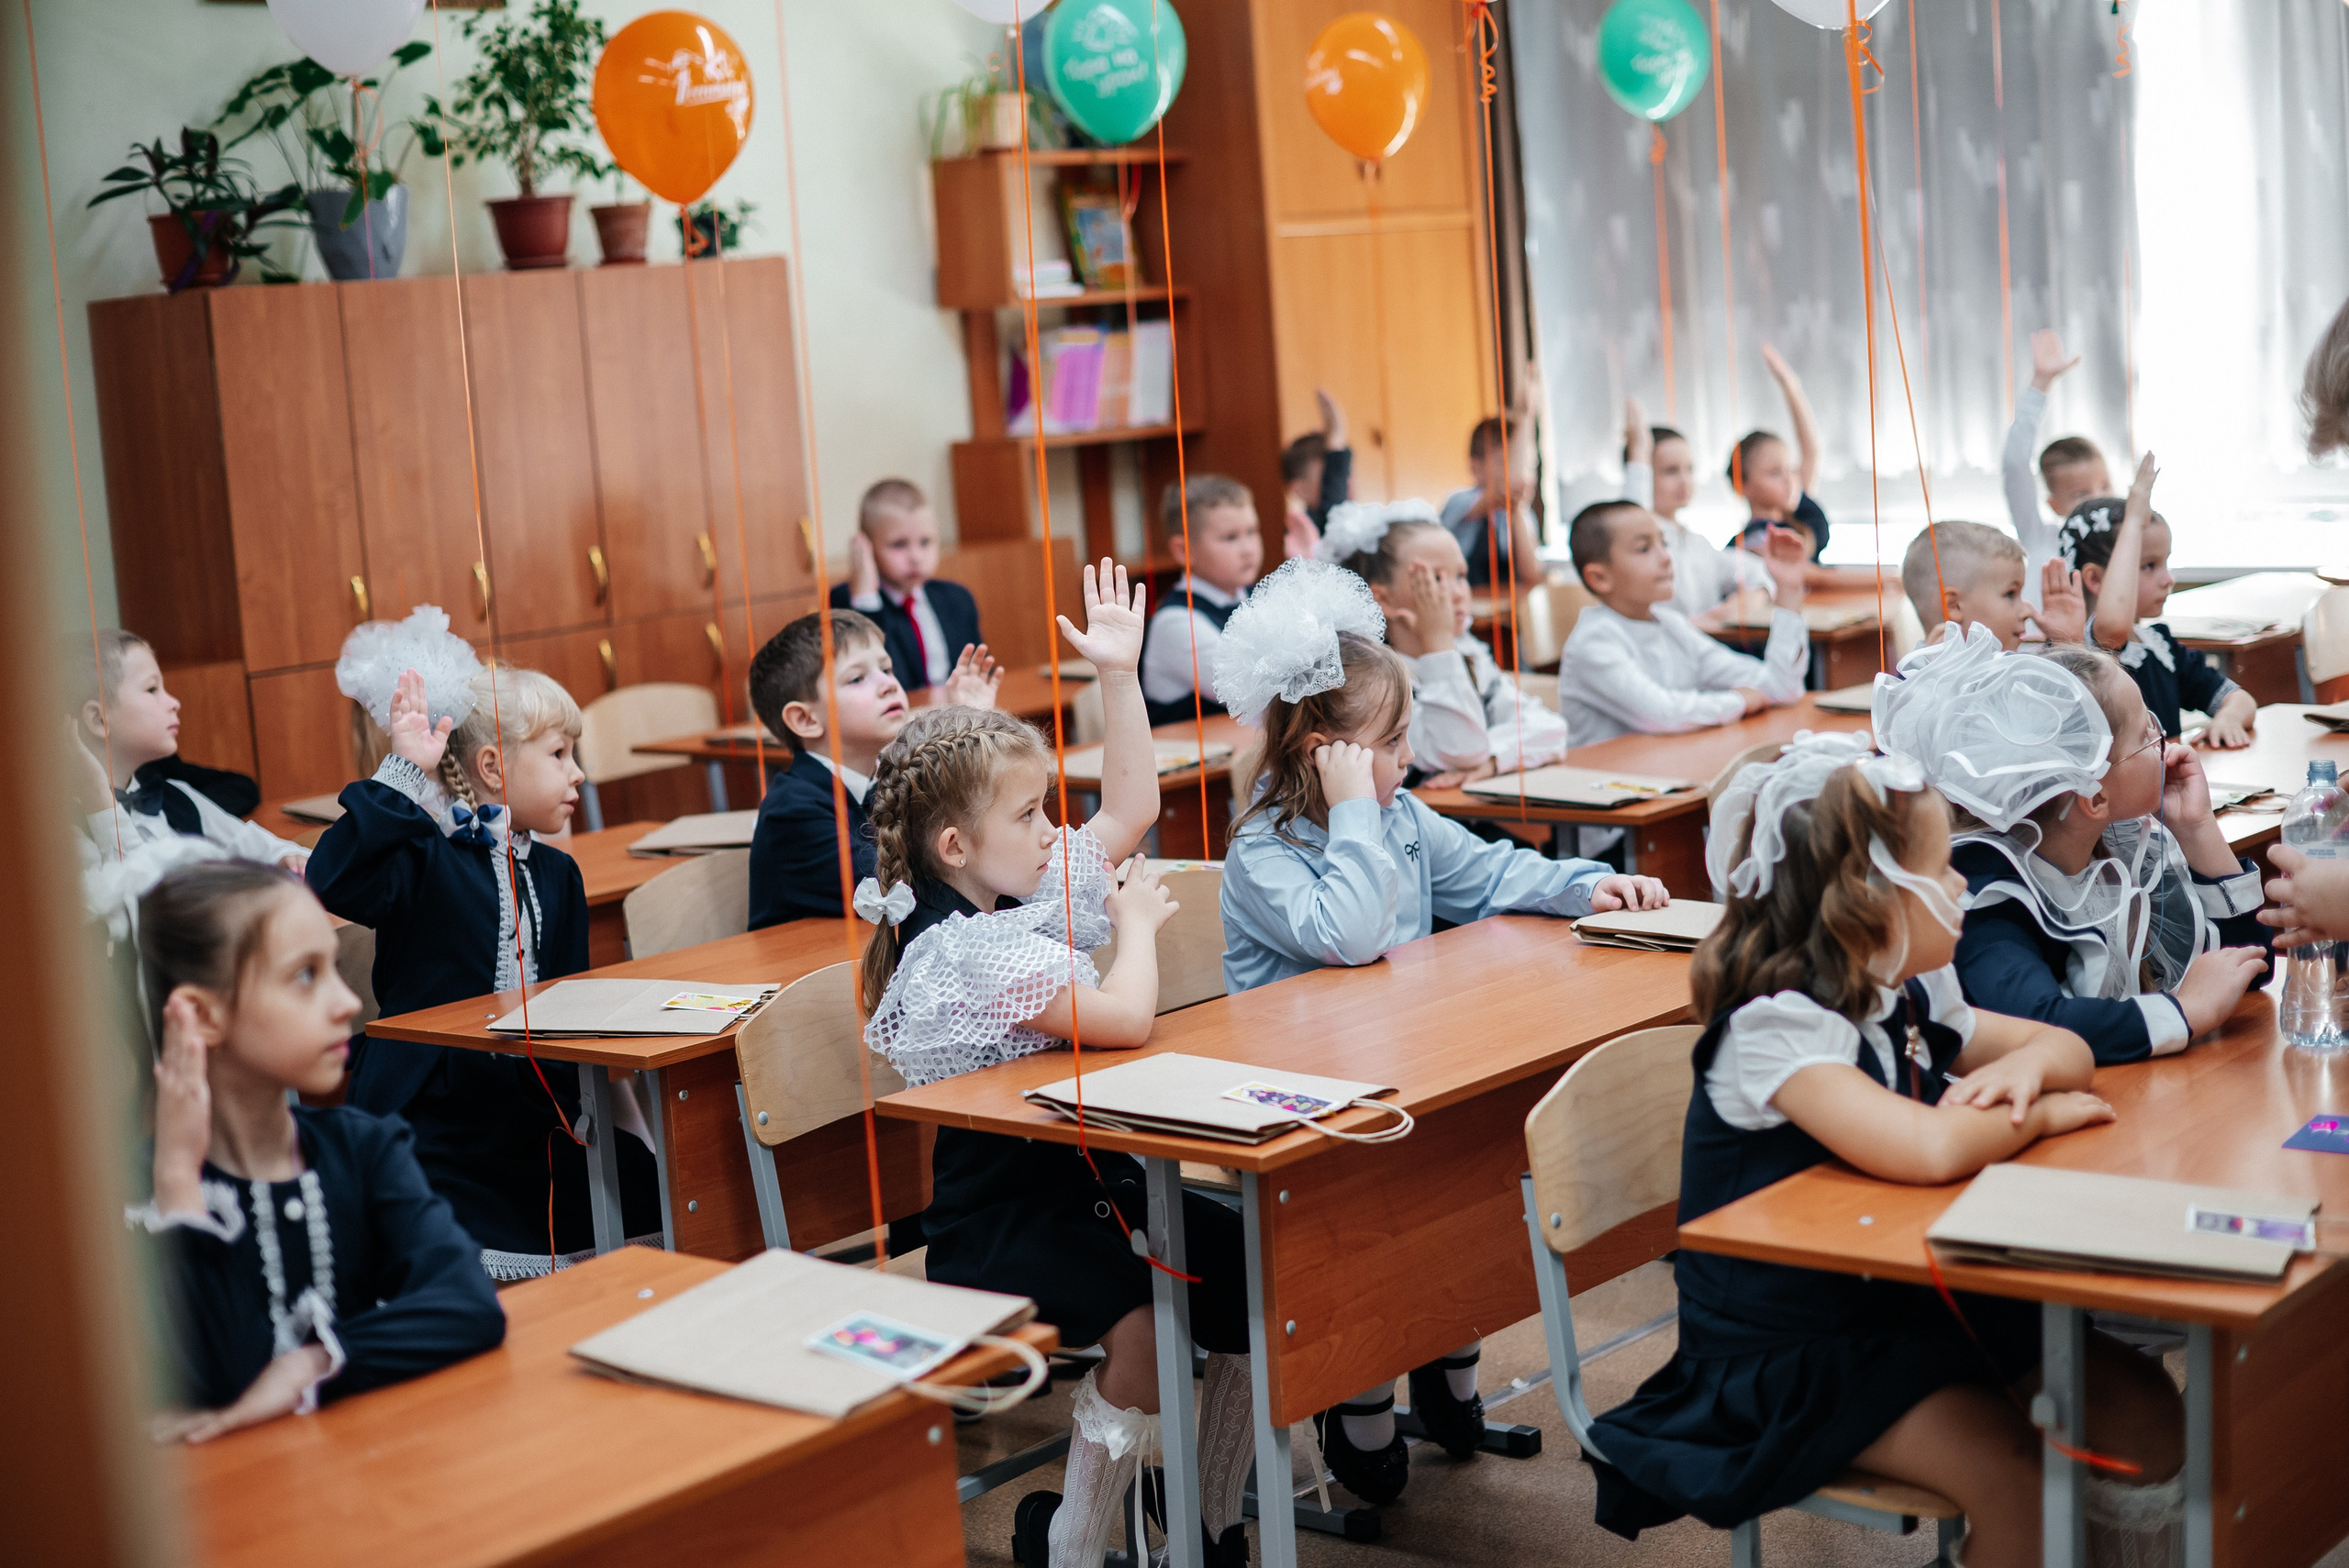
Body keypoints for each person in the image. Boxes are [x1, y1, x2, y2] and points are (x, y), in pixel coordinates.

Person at [1587, 730, 2186, 1568]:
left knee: (2144, 1407)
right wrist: (2038, 1115)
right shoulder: (1778, 1028)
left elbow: (2066, 1049)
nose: (1963, 886)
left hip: (1903, 1298)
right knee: (2017, 1477)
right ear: (1869, 900)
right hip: (1791, 1352)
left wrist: (2027, 1076)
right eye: (1942, 871)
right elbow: (1927, 1148)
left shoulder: (1902, 988)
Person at [1212, 558, 1664, 1504]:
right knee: (1384, 1230)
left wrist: (1588, 886)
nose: (1406, 760)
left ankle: (1450, 1367)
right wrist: (1351, 815)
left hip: (1410, 1058)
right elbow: (1349, 936)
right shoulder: (1263, 850)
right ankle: (1359, 1397)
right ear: (1320, 753)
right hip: (1316, 1098)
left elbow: (1495, 876)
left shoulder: (1401, 813)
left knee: (1467, 1187)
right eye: (1388, 743)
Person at [858, 562, 1255, 1568]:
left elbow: (1126, 810)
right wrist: (1132, 924)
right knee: (1140, 1330)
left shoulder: (1013, 903)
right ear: (955, 844)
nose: (1053, 834)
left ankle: (1206, 1526)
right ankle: (1071, 1542)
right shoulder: (962, 949)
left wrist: (1118, 677)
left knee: (1261, 1274)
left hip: (1094, 1182)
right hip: (1003, 1216)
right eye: (1030, 817)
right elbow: (1121, 1016)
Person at [306, 611, 661, 1279]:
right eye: (559, 755)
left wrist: (586, 1113)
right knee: (463, 1211)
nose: (578, 773)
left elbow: (567, 1008)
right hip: (435, 1116)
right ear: (494, 766)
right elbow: (332, 878)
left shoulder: (558, 873)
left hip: (527, 1115)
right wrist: (404, 775)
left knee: (643, 1181)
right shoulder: (426, 858)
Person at [130, 860, 504, 1442]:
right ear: (201, 1015)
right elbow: (220, 1391)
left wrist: (311, 1362)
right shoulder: (132, 1200)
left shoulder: (363, 1148)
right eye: (306, 976)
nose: (348, 1003)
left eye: (333, 968)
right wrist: (179, 1184)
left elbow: (469, 1304)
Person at [1880, 626, 2269, 1065]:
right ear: (2094, 797)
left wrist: (2197, 829)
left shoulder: (2114, 841)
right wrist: (2188, 1011)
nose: (2164, 743)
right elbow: (2043, 1023)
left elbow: (2250, 967)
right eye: (2146, 733)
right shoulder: (1986, 890)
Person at [745, 608, 997, 929]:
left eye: (886, 669)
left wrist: (967, 734)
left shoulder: (889, 779)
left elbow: (969, 837)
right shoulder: (791, 812)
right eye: (857, 678)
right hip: (810, 974)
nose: (889, 685)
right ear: (805, 720)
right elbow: (902, 884)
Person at [1319, 500, 1569, 786]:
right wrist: (1438, 648)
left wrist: (1493, 758)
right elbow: (1459, 751)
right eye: (1436, 579)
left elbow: (1552, 728)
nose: (1459, 593)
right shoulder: (1376, 683)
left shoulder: (1468, 655)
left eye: (1461, 576)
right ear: (1384, 599)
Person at [1556, 501, 1809, 746]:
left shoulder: (1671, 626)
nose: (1666, 558)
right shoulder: (1592, 643)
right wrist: (1738, 701)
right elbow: (1662, 714)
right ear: (1600, 578)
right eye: (1644, 549)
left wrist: (1788, 590)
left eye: (1664, 543)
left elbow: (1780, 687)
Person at [70, 629, 306, 883]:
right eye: (152, 689)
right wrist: (100, 804)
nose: (174, 702)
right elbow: (133, 907)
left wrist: (287, 857)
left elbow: (270, 848)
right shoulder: (65, 834)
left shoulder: (176, 797)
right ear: (98, 719)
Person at [2064, 454, 2259, 748]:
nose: (2168, 579)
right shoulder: (2089, 651)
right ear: (2095, 579)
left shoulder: (2159, 646)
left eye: (2165, 563)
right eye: (2148, 566)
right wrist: (2133, 519)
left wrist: (2228, 717)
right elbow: (2114, 625)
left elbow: (2240, 698)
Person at [1620, 400, 1774, 619]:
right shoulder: (1636, 539)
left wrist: (1755, 595)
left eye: (1689, 469)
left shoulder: (1698, 544)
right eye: (1671, 471)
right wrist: (1639, 449)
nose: (1684, 481)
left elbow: (1758, 571)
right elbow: (1632, 516)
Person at [830, 479, 982, 693]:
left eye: (925, 542)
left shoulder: (957, 598)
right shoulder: (847, 603)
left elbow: (979, 674)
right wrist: (866, 601)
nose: (916, 557)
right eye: (899, 544)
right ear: (866, 547)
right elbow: (878, 684)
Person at [1141, 473, 1264, 728]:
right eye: (1231, 537)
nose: (1248, 548)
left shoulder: (1256, 597)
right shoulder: (1175, 621)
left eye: (1252, 532)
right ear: (1184, 551)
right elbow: (1252, 690)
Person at [2002, 328, 2113, 606]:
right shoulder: (2041, 539)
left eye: (2105, 485)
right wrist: (2041, 382)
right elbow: (2015, 464)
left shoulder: (2122, 545)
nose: (2099, 498)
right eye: (2081, 494)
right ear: (2055, 505)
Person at [1898, 518, 2086, 651]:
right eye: (2010, 594)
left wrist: (2067, 643)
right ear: (1953, 606)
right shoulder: (1910, 692)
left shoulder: (2017, 671)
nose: (2027, 611)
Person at [1439, 364, 1547, 591]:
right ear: (1476, 468)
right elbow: (1499, 494)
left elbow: (1532, 575)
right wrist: (1525, 414)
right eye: (1503, 462)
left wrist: (1517, 512)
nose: (1515, 471)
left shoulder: (1520, 512)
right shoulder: (1461, 501)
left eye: (1522, 463)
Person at [1279, 387, 1353, 560]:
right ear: (1300, 490)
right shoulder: (1304, 527)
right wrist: (1335, 441)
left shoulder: (1357, 521)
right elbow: (1333, 508)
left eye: (1346, 474)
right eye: (1330, 476)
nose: (1344, 481)